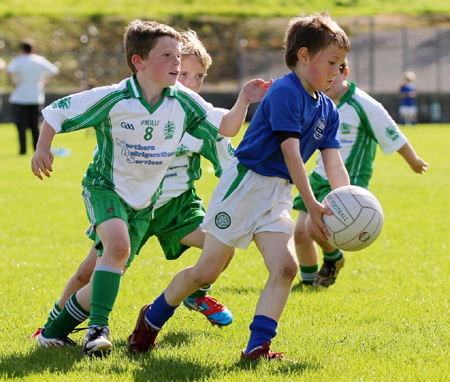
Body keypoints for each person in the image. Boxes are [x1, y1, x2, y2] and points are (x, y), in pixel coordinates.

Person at [31, 19, 270, 357]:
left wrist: (245, 98)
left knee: (113, 262)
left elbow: (228, 127)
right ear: (139, 62)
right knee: (114, 250)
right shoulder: (114, 98)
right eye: (168, 56)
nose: (177, 63)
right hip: (106, 188)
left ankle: (53, 330)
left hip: (150, 202)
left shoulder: (183, 102)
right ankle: (98, 329)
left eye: (179, 57)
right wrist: (43, 148)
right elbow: (57, 112)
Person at [127, 12, 351, 361]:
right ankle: (151, 320)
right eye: (333, 62)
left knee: (286, 269)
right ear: (304, 56)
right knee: (206, 271)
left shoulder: (328, 110)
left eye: (342, 64)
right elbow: (291, 153)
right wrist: (311, 201)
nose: (338, 71)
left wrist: (346, 203)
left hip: (277, 192)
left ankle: (257, 349)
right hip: (245, 185)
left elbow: (334, 162)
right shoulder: (284, 92)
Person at [294, 60, 428, 287]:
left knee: (313, 229)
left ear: (344, 72)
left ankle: (334, 259)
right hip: (318, 176)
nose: (325, 82)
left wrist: (413, 160)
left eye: (331, 76)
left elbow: (391, 132)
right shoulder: (320, 102)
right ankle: (308, 284)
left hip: (348, 182)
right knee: (299, 233)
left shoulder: (364, 104)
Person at [7, 38, 59, 155]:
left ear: (21, 50)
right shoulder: (39, 60)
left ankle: (23, 150)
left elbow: (9, 71)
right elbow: (54, 70)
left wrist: (13, 83)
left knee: (21, 126)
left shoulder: (18, 60)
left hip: (20, 97)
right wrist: (44, 82)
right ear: (33, 49)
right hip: (36, 96)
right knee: (35, 125)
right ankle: (37, 149)